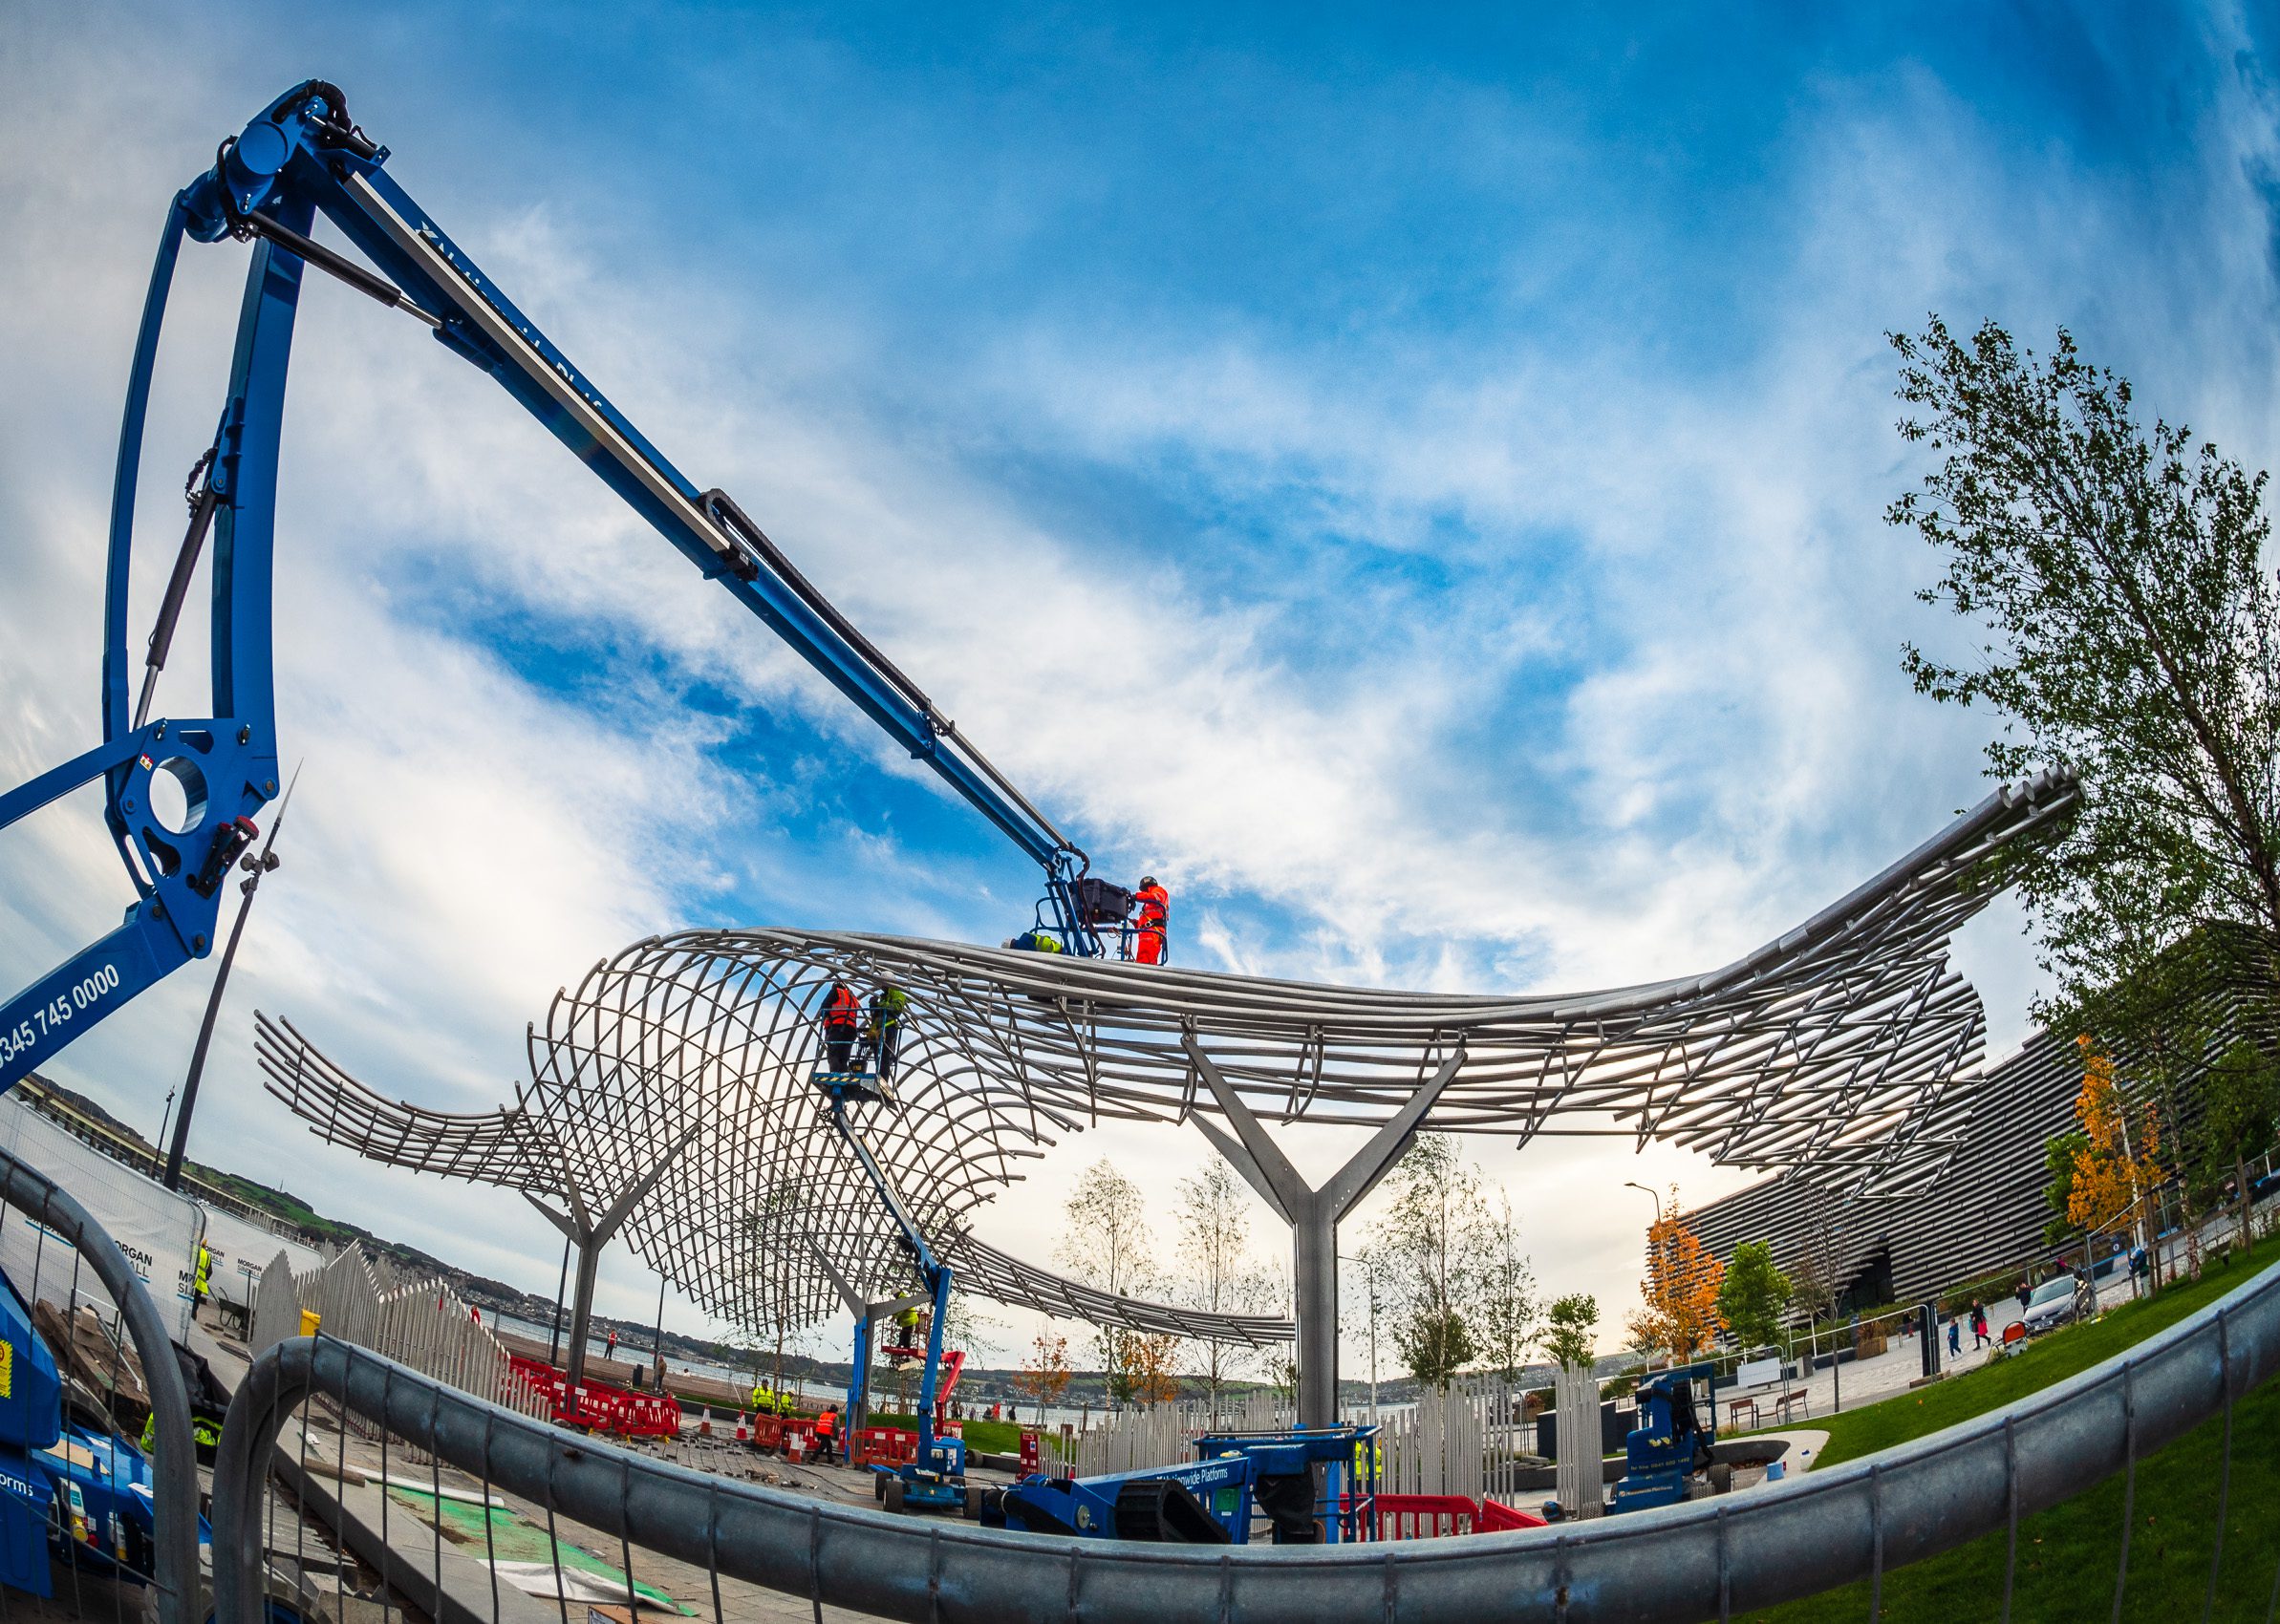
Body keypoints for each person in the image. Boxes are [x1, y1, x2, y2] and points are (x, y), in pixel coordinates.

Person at [868, 984, 910, 1081]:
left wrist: (879, 1005)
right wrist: (873, 1006)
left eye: (884, 985)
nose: (882, 987)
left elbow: (896, 1008)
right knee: (878, 1056)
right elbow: (876, 1015)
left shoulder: (898, 994)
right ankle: (880, 1077)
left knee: (885, 1056)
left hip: (889, 1028)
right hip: (878, 1029)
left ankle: (883, 1080)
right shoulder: (883, 997)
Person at [821, 979, 862, 1072]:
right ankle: (842, 1079)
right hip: (851, 1031)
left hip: (839, 1028)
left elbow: (824, 1007)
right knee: (844, 1059)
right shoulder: (853, 997)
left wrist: (826, 1020)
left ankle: (834, 1077)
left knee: (833, 1055)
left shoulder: (836, 992)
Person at [1133, 875, 1170, 965]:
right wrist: (1137, 924)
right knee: (1143, 957)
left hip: (1153, 931)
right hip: (1147, 931)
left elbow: (1156, 898)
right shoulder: (1147, 904)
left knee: (1146, 959)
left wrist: (1136, 896)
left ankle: (1143, 976)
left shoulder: (1158, 890)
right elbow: (1151, 917)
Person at [192, 1242, 212, 1314]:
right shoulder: (207, 1256)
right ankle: (193, 1314)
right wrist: (205, 1277)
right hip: (200, 1282)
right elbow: (210, 1271)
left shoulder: (194, 1248)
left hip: (191, 1278)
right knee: (196, 1299)